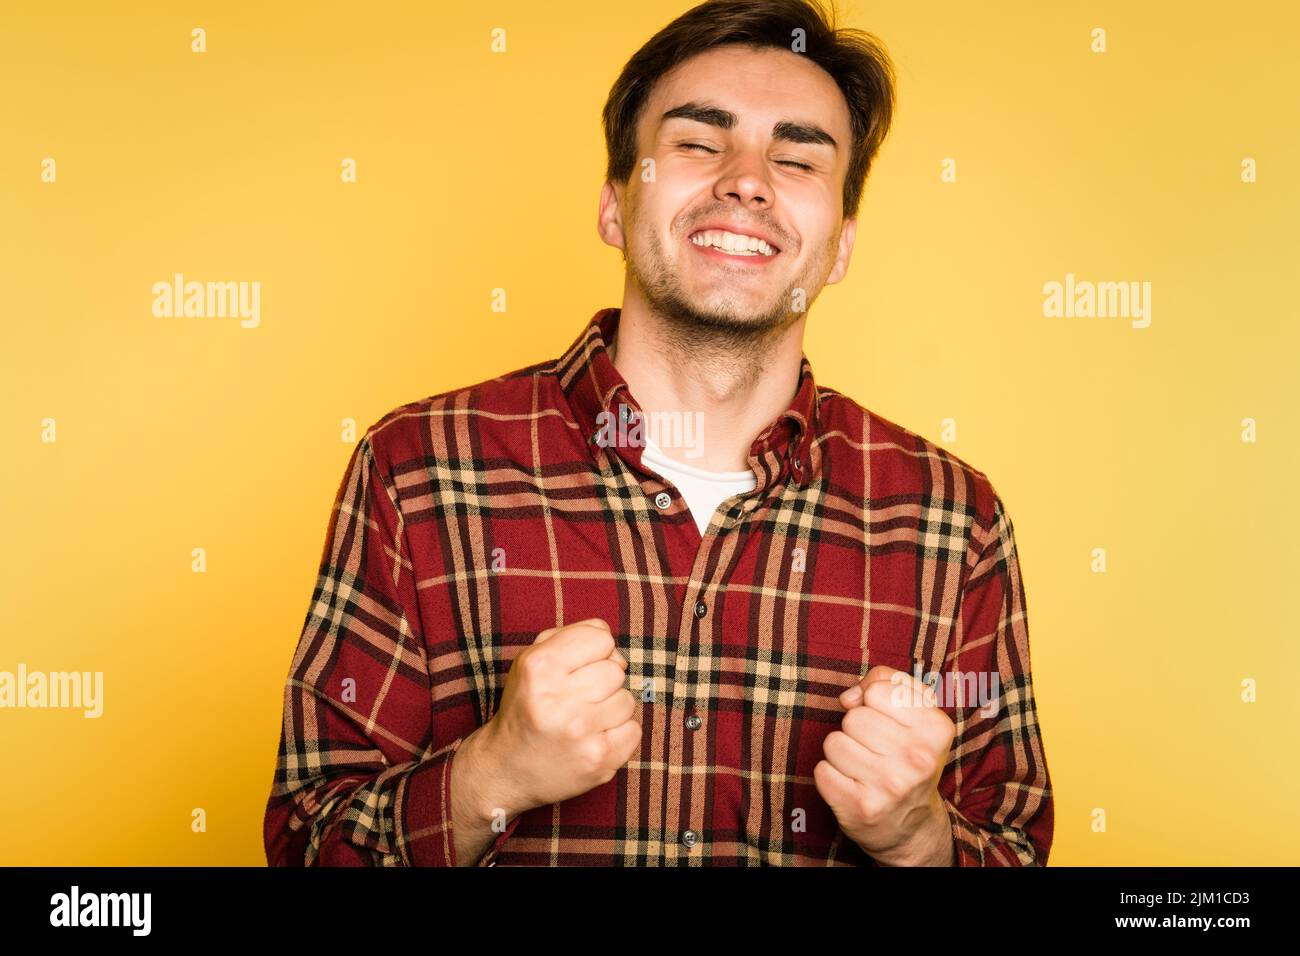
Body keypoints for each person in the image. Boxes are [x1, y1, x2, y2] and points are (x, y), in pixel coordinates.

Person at [263, 0, 1053, 867]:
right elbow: (307, 842)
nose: (746, 180)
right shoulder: (416, 469)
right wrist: (492, 775)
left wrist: (919, 837)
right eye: (697, 143)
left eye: (795, 158)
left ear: (840, 247)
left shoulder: (953, 520)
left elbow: (1011, 844)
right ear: (614, 205)